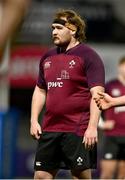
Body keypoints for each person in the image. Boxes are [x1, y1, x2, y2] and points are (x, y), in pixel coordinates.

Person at [30, 9, 105, 179]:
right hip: (50, 128)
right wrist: (34, 120)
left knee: (79, 176)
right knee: (41, 176)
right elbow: (40, 90)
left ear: (73, 30)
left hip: (77, 129)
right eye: (52, 28)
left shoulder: (89, 56)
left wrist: (92, 127)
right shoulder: (47, 57)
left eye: (58, 28)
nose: (53, 32)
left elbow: (98, 95)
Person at [97, 57, 125, 179]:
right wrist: (101, 124)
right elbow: (94, 104)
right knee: (107, 174)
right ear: (120, 67)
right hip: (112, 136)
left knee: (123, 175)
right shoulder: (110, 85)